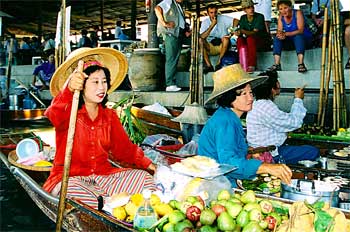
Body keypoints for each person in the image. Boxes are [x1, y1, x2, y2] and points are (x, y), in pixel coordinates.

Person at [43, 47, 156, 209]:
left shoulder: (109, 116)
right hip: (70, 178)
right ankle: (109, 203)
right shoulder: (69, 111)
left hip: (103, 177)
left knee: (144, 179)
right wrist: (69, 90)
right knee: (71, 190)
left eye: (104, 81)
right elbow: (53, 113)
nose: (102, 87)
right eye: (95, 82)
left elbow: (124, 149)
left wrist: (148, 164)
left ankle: (104, 203)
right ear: (81, 85)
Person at [198, 64, 292, 186]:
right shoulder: (225, 122)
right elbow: (229, 164)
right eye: (243, 94)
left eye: (251, 93)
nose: (251, 98)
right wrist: (266, 167)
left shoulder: (227, 116)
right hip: (218, 184)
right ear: (229, 97)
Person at [246, 70, 320, 164]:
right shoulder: (266, 107)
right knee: (312, 151)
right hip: (269, 153)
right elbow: (294, 122)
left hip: (264, 148)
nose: (279, 84)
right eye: (277, 82)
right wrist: (298, 99)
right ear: (272, 89)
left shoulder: (258, 103)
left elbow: (280, 122)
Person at [268, 0, 313, 73]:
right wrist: (280, 35)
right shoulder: (281, 17)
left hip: (304, 41)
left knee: (298, 36)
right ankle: (277, 64)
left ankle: (301, 64)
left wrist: (285, 34)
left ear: (290, 7)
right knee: (277, 38)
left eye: (285, 8)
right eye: (280, 9)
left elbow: (300, 30)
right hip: (291, 42)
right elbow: (279, 31)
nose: (283, 11)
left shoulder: (298, 13)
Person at [155, 0, 187, 92]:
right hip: (170, 34)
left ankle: (172, 82)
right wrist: (164, 23)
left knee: (175, 58)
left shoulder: (178, 5)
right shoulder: (168, 1)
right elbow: (157, 8)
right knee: (171, 58)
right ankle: (169, 84)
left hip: (178, 34)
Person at [233, 0, 271, 73]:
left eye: (252, 7)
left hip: (262, 42)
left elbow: (254, 33)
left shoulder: (260, 16)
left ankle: (252, 65)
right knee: (240, 40)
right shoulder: (243, 18)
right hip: (250, 42)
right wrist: (237, 32)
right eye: (248, 8)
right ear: (244, 10)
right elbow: (241, 32)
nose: (251, 9)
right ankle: (242, 62)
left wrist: (241, 30)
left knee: (250, 39)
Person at [199, 4, 233, 73]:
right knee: (200, 40)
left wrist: (232, 33)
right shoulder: (205, 22)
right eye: (211, 12)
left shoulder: (222, 18)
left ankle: (219, 63)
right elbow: (202, 37)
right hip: (210, 47)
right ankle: (209, 65)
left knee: (226, 39)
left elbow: (236, 21)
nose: (213, 14)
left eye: (215, 12)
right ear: (208, 13)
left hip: (222, 46)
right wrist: (212, 25)